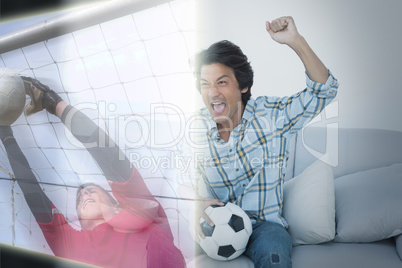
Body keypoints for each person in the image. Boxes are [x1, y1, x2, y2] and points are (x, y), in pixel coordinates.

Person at [191, 16, 339, 267]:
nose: (212, 93)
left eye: (222, 82)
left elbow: (324, 91)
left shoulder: (272, 115)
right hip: (211, 225)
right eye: (205, 84)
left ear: (244, 86)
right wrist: (192, 201)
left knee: (275, 257)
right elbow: (168, 179)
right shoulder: (195, 128)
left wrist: (295, 40)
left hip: (264, 228)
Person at [0, 77, 186, 268]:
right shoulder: (70, 244)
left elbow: (107, 154)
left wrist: (54, 103)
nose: (84, 194)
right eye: (80, 197)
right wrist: (5, 134)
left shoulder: (140, 211)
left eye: (90, 191)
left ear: (115, 202)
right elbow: (32, 191)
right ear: (79, 220)